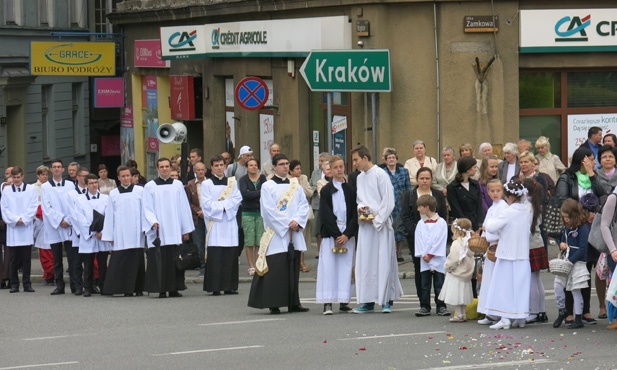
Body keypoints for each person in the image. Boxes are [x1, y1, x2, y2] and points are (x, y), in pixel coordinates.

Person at [248, 153, 310, 314]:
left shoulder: (295, 185)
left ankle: (293, 302)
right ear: (274, 167)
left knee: (293, 269)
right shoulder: (268, 186)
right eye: (281, 164)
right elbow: (268, 211)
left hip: (294, 232)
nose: (285, 167)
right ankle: (274, 303)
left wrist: (297, 221)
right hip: (277, 234)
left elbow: (304, 205)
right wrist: (286, 225)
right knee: (276, 270)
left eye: (286, 163)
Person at [551, 147, 604, 325]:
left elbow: (602, 194)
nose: (595, 162)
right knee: (568, 271)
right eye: (591, 159)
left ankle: (585, 311)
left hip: (590, 226)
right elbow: (563, 200)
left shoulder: (592, 175)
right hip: (573, 225)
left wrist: (591, 173)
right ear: (583, 159)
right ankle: (568, 312)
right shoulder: (567, 177)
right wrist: (582, 214)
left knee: (584, 270)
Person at [351, 146, 403, 314]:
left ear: (365, 157)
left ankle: (386, 299)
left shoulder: (381, 175)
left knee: (383, 261)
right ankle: (367, 300)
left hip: (380, 226)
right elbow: (360, 199)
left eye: (356, 160)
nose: (354, 164)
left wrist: (376, 219)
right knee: (366, 262)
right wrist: (362, 211)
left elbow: (389, 201)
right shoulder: (359, 178)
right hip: (366, 227)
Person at [142, 158, 194, 298]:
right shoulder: (150, 186)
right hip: (159, 229)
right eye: (162, 167)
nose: (165, 169)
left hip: (174, 228)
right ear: (157, 169)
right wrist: (153, 221)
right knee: (160, 260)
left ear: (171, 168)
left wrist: (185, 230)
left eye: (167, 166)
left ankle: (174, 288)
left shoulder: (177, 185)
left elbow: (184, 207)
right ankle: (160, 289)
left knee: (174, 260)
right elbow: (146, 208)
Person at [484, 179, 532, 330]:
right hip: (522, 254)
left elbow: (491, 227)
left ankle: (505, 317)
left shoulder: (508, 212)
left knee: (504, 286)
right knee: (520, 286)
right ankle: (520, 317)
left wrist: (489, 221)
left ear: (510, 197)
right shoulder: (526, 210)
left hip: (507, 254)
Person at [316, 155, 358, 314]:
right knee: (329, 267)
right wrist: (336, 234)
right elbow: (325, 214)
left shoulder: (350, 189)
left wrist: (347, 234)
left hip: (346, 234)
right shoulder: (326, 190)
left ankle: (343, 300)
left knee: (346, 267)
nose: (339, 170)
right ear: (330, 170)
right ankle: (328, 302)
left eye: (341, 167)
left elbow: (354, 213)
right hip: (331, 235)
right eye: (336, 168)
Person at [399, 167, 447, 302]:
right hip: (417, 237)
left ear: (431, 180)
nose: (424, 181)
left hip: (436, 237)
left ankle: (440, 302)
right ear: (417, 179)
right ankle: (423, 300)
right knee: (420, 268)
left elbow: (442, 214)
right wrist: (415, 231)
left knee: (438, 270)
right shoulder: (409, 195)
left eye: (427, 178)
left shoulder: (437, 195)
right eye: (422, 178)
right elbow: (405, 216)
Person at [102, 165, 146, 297]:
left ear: (131, 177)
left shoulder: (140, 191)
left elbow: (145, 210)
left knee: (136, 260)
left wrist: (145, 228)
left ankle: (137, 288)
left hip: (136, 231)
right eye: (123, 176)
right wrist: (109, 234)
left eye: (128, 176)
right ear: (119, 178)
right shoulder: (114, 194)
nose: (126, 178)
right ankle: (122, 288)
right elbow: (110, 215)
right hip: (120, 232)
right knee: (120, 260)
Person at [202, 155, 242, 295]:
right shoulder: (207, 184)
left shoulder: (232, 182)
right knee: (216, 255)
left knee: (230, 254)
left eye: (221, 165)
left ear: (225, 166)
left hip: (229, 222)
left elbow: (237, 199)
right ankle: (215, 286)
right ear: (211, 168)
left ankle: (229, 286)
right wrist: (225, 206)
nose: (219, 168)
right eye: (216, 165)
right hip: (216, 223)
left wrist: (222, 206)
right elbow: (207, 205)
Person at [42, 160, 82, 295]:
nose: (57, 169)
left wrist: (68, 220)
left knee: (73, 258)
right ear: (51, 170)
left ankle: (75, 285)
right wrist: (60, 220)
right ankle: (59, 285)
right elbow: (46, 208)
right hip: (55, 226)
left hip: (69, 225)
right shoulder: (45, 187)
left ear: (63, 169)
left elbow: (74, 204)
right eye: (54, 167)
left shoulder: (71, 185)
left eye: (59, 167)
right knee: (57, 258)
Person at [553, 199, 590, 330]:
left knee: (576, 289)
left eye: (568, 217)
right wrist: (561, 245)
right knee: (558, 286)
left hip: (577, 262)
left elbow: (583, 249)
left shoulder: (583, 229)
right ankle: (562, 310)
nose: (566, 220)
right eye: (564, 217)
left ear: (574, 215)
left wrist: (571, 260)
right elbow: (563, 241)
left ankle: (578, 317)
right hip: (566, 261)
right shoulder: (566, 228)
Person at [1, 166, 38, 293]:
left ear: (22, 176)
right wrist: (16, 220)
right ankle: (14, 284)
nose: (16, 180)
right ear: (11, 177)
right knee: (13, 259)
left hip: (26, 227)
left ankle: (27, 284)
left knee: (26, 258)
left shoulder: (31, 189)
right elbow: (4, 208)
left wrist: (25, 219)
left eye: (18, 177)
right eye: (14, 177)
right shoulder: (6, 191)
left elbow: (33, 205)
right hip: (13, 228)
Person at [74, 174, 111, 297]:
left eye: (96, 182)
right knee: (88, 264)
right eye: (91, 183)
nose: (94, 185)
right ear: (86, 185)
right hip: (89, 235)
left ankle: (104, 286)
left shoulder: (106, 198)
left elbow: (109, 217)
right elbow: (80, 218)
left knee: (102, 263)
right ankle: (88, 287)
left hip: (102, 235)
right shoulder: (80, 199)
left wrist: (103, 232)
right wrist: (92, 232)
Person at [477, 179, 507, 325]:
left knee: (498, 281)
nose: (495, 194)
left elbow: (498, 228)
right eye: (492, 191)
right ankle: (490, 312)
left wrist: (487, 230)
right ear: (488, 192)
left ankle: (499, 312)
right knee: (489, 281)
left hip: (499, 247)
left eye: (498, 191)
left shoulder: (503, 207)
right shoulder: (491, 208)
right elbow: (485, 226)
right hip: (491, 248)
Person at [414, 194, 450, 317]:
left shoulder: (441, 223)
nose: (418, 209)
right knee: (425, 285)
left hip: (437, 258)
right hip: (425, 260)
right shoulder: (420, 223)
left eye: (420, 207)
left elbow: (440, 240)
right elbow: (418, 240)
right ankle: (424, 306)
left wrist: (431, 254)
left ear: (427, 207)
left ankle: (441, 306)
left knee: (439, 284)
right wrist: (424, 254)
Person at [523, 178, 549, 324]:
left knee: (532, 279)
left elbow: (525, 228)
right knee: (537, 279)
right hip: (537, 243)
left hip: (530, 245)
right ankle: (541, 310)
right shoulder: (535, 204)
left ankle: (533, 311)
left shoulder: (528, 206)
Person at [438, 218, 475, 322]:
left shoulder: (457, 244)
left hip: (457, 273)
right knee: (463, 295)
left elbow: (453, 258)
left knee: (457, 295)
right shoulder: (470, 243)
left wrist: (448, 266)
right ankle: (463, 314)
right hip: (466, 273)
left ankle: (458, 315)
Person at [238, 159, 267, 276]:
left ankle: (257, 264)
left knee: (259, 240)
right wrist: (258, 193)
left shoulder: (263, 178)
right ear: (247, 167)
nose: (253, 167)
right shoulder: (243, 179)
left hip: (260, 212)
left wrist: (253, 193)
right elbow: (245, 195)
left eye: (255, 165)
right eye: (251, 165)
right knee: (249, 241)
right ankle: (250, 265)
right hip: (247, 213)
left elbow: (265, 192)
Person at [382, 148, 411, 262]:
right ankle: (391, 252)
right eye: (389, 158)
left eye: (393, 157)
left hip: (401, 202)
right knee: (390, 228)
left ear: (397, 159)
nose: (391, 160)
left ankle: (398, 252)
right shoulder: (383, 173)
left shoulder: (404, 171)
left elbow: (408, 187)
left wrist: (408, 201)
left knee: (400, 229)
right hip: (388, 203)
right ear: (386, 160)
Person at [447, 156, 485, 231]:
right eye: (474, 167)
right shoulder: (452, 187)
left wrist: (479, 225)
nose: (476, 169)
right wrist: (467, 228)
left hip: (476, 223)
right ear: (468, 169)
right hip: (461, 226)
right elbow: (456, 210)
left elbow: (479, 206)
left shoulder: (475, 184)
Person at [289, 159, 314, 272]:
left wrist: (300, 185)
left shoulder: (303, 178)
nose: (299, 171)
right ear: (291, 171)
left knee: (303, 238)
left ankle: (302, 262)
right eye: (297, 169)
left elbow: (310, 193)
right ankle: (293, 261)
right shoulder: (287, 180)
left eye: (300, 168)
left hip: (303, 212)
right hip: (291, 212)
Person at [185, 162, 208, 277]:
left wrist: (206, 211)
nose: (200, 172)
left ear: (205, 170)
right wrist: (198, 211)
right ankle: (203, 267)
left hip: (209, 216)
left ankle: (211, 266)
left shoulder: (210, 183)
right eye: (198, 170)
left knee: (209, 242)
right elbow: (188, 202)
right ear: (194, 171)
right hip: (197, 218)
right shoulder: (190, 185)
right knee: (199, 243)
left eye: (202, 169)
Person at [33, 165, 54, 286]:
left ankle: (53, 273)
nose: (45, 176)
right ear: (38, 175)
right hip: (39, 220)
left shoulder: (51, 186)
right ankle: (48, 275)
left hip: (51, 220)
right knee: (44, 251)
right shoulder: (33, 188)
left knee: (52, 250)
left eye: (46, 174)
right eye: (42, 174)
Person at [310, 152, 331, 259]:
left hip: (328, 205)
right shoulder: (316, 173)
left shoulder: (332, 173)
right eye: (319, 160)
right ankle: (319, 251)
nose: (320, 163)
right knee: (318, 230)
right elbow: (311, 185)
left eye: (322, 160)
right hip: (317, 204)